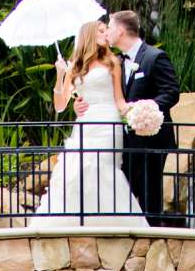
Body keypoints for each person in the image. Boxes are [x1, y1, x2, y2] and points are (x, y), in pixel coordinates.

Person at [32, 18, 146, 226]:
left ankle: (112, 223)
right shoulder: (75, 66)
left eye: (106, 30)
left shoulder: (112, 62)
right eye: (102, 31)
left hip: (108, 123)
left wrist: (138, 114)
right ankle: (75, 223)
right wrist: (60, 75)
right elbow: (59, 104)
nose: (106, 34)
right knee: (75, 170)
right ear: (90, 35)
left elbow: (120, 100)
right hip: (85, 124)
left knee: (105, 171)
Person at [106, 10, 181, 223]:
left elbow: (171, 92)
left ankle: (151, 240)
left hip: (152, 138)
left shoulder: (155, 57)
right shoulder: (117, 62)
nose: (108, 33)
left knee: (150, 194)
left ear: (120, 30)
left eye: (110, 27)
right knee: (124, 193)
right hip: (126, 141)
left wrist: (147, 109)